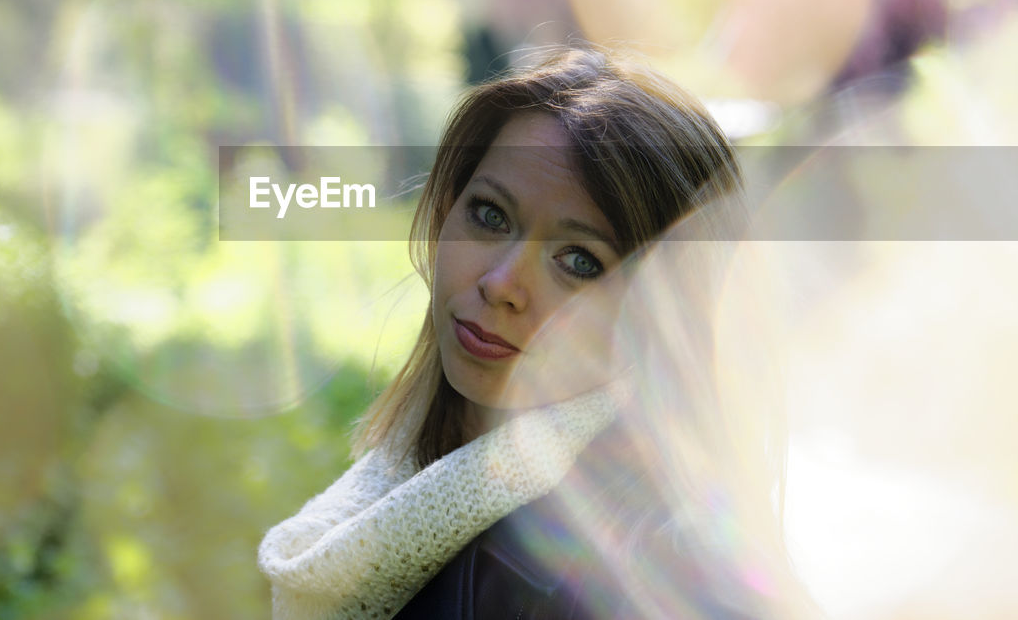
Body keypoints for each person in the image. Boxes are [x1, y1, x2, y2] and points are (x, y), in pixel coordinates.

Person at [259, 48, 813, 620]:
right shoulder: (400, 484)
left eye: (578, 261)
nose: (502, 284)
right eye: (490, 215)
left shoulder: (671, 567)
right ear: (446, 208)